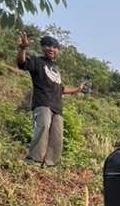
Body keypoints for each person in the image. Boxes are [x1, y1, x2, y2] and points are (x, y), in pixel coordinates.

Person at [17, 32, 83, 166]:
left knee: (56, 137)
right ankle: (33, 161)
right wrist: (23, 49)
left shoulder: (56, 69)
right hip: (42, 104)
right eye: (48, 46)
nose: (52, 49)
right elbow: (22, 63)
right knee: (42, 128)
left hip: (57, 108)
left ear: (58, 50)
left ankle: (50, 164)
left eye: (55, 47)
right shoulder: (37, 61)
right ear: (42, 47)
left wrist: (77, 89)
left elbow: (61, 89)